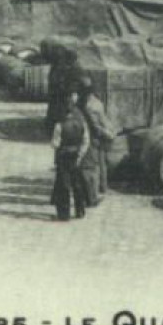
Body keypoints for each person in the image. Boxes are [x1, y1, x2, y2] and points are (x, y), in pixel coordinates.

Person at [49, 80, 94, 221]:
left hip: (63, 156)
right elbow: (86, 139)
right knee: (77, 184)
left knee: (64, 185)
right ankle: (80, 211)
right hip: (76, 155)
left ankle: (64, 214)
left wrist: (57, 149)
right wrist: (80, 154)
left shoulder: (60, 123)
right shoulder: (81, 120)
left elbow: (55, 143)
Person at [77, 77, 117, 204]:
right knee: (96, 166)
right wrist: (110, 133)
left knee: (91, 165)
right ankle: (95, 193)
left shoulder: (80, 103)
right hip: (95, 137)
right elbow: (101, 123)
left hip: (85, 137)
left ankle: (95, 190)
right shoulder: (95, 104)